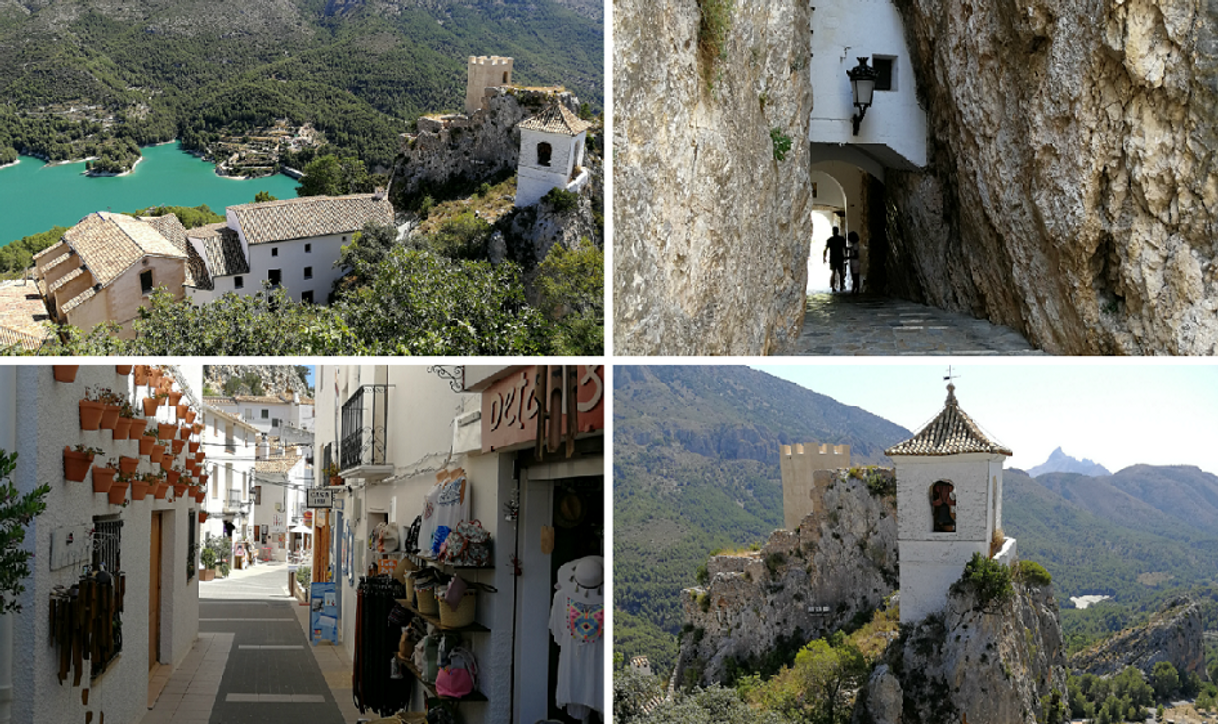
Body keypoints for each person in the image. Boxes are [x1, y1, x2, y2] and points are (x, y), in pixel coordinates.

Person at [822, 226, 848, 292]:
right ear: (838, 231)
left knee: (833, 272)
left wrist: (824, 258)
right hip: (840, 257)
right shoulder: (841, 239)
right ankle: (841, 286)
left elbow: (825, 250)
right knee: (840, 272)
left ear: (833, 231)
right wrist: (846, 255)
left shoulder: (830, 240)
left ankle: (833, 287)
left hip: (833, 258)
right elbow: (845, 248)